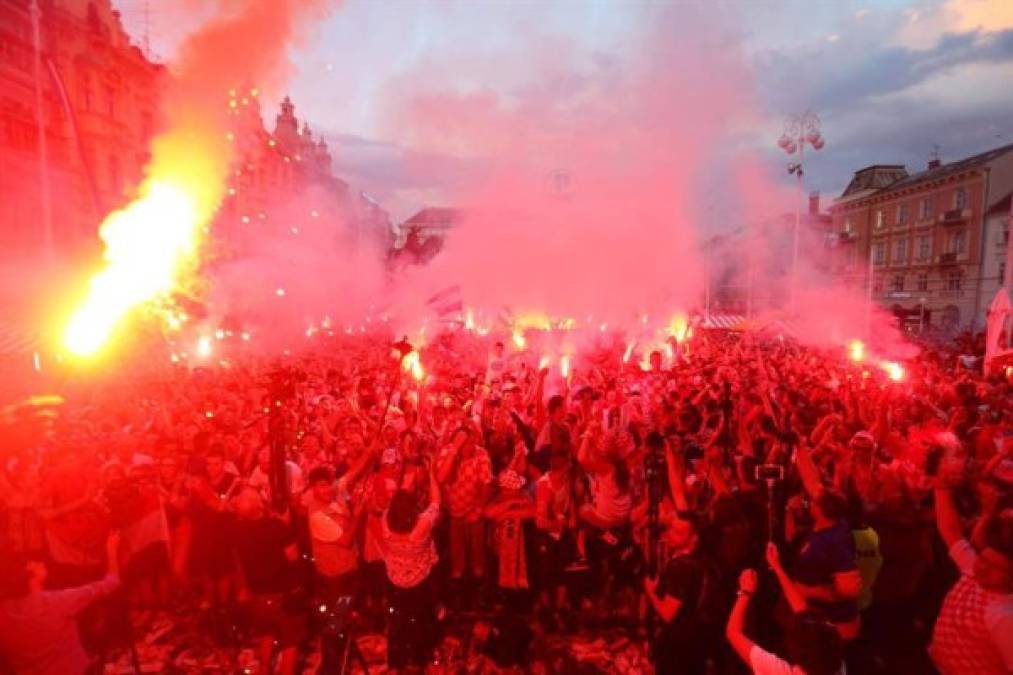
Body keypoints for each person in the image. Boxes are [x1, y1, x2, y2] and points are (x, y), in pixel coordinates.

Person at [0, 531, 121, 675]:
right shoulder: (57, 602)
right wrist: (111, 549)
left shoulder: (4, 614)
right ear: (28, 576)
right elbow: (112, 582)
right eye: (32, 563)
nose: (39, 562)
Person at [928, 477, 1013, 674]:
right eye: (983, 560)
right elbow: (951, 532)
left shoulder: (1005, 617)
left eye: (994, 568)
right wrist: (941, 484)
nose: (982, 568)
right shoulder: (973, 571)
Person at [231, 488, 305, 675]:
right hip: (282, 594)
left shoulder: (237, 530)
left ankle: (263, 670)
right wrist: (285, 526)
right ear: (260, 505)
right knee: (291, 641)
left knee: (267, 633)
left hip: (258, 594)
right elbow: (293, 556)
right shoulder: (276, 527)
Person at [377, 463, 442, 671]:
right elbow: (436, 502)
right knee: (421, 618)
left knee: (399, 619)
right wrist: (431, 475)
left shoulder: (386, 521)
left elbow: (396, 502)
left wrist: (407, 482)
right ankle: (419, 658)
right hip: (419, 582)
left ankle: (397, 660)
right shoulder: (421, 526)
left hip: (395, 580)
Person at [726, 569, 846, 675]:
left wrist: (746, 591)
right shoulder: (837, 667)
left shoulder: (779, 671)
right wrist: (778, 568)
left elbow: (733, 632)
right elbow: (803, 614)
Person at [642, 512, 718, 675]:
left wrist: (650, 591)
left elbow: (667, 613)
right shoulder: (704, 561)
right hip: (697, 643)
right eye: (671, 529)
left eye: (678, 532)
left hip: (677, 647)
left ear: (693, 538)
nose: (670, 535)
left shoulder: (680, 567)